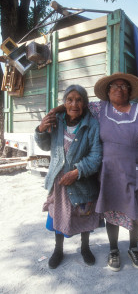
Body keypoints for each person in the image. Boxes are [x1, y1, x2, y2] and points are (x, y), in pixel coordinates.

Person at [50, 72, 138, 272]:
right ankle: (113, 250)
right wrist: (55, 111)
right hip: (109, 173)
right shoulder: (99, 108)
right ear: (108, 92)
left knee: (136, 211)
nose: (119, 89)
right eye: (114, 86)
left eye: (124, 86)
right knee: (112, 211)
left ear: (129, 92)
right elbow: (75, 105)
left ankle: (134, 248)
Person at [34, 85, 102, 269]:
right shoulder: (57, 121)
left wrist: (77, 172)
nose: (74, 104)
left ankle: (85, 248)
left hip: (82, 182)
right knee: (58, 215)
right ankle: (58, 250)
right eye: (70, 99)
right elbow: (45, 146)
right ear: (64, 103)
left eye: (79, 100)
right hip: (59, 183)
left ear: (85, 103)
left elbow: (96, 157)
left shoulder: (92, 125)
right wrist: (40, 129)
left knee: (84, 216)